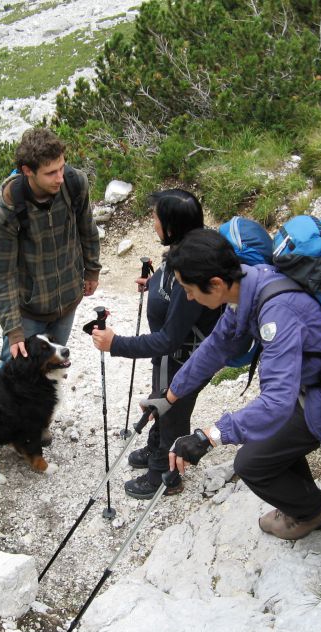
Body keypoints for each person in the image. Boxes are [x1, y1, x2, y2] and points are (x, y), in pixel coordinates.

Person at [159, 227, 321, 539]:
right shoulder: (250, 284)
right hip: (315, 383)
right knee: (267, 442)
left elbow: (276, 403)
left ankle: (315, 510)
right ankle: (302, 502)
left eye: (189, 288)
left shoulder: (276, 311)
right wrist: (171, 395)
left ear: (216, 283)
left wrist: (210, 436)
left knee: (251, 463)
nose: (188, 296)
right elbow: (219, 345)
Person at [90, 189, 220, 499]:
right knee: (159, 401)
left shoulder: (192, 268)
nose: (153, 223)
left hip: (181, 358)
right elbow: (170, 277)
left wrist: (116, 343)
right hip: (172, 358)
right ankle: (155, 451)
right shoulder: (187, 246)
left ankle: (165, 475)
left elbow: (168, 339)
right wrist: (154, 283)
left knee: (173, 410)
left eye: (156, 219)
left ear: (172, 226)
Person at [0, 127, 101, 366]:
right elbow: (2, 273)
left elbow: (88, 230)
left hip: (69, 300)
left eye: (62, 167)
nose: (60, 177)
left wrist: (92, 270)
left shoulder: (74, 184)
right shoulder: (10, 205)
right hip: (29, 311)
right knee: (13, 372)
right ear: (27, 171)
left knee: (50, 367)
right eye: (51, 173)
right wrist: (14, 330)